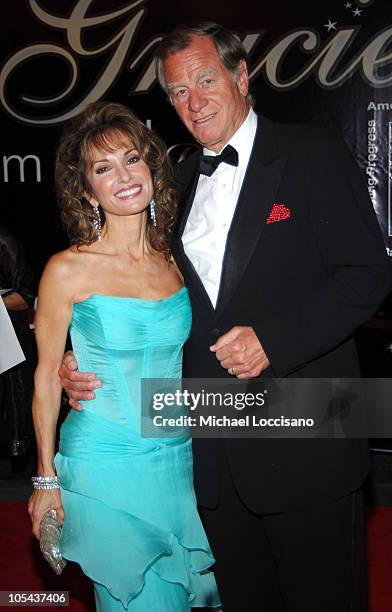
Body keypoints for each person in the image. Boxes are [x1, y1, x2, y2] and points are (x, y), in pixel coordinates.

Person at [59, 23, 392, 612]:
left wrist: (275, 339)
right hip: (209, 449)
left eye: (206, 80)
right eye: (178, 92)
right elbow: (141, 295)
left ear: (241, 77)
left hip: (307, 427)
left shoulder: (309, 153)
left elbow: (369, 273)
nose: (194, 100)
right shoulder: (175, 184)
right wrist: (85, 355)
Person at [28, 101, 221, 612]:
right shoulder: (68, 269)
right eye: (102, 168)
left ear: (151, 167)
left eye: (131, 159)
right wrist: (45, 479)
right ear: (86, 189)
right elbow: (48, 376)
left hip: (176, 457)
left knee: (195, 595)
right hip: (104, 458)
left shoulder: (178, 261)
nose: (124, 176)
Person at [0, 226, 36, 465]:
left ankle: (19, 452)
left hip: (10, 334)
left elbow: (25, 298)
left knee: (17, 394)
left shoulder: (4, 242)